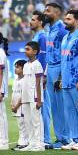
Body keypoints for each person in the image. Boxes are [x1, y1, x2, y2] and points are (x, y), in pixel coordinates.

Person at [60, 9, 78, 150]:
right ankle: (74, 139)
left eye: (69, 19)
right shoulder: (66, 38)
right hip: (66, 81)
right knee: (69, 111)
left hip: (76, 81)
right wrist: (61, 78)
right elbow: (64, 60)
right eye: (65, 19)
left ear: (77, 21)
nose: (66, 21)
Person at [43, 2, 68, 148]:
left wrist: (60, 76)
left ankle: (66, 137)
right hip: (51, 68)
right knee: (54, 106)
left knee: (61, 105)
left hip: (59, 68)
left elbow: (65, 54)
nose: (45, 13)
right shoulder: (49, 30)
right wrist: (46, 73)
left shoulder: (61, 29)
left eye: (48, 11)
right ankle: (59, 138)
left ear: (57, 13)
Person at [19, 41, 45, 151]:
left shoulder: (37, 65)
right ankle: (32, 142)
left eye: (28, 49)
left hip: (34, 96)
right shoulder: (25, 65)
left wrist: (39, 99)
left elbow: (39, 83)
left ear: (35, 51)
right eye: (25, 49)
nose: (26, 51)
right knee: (27, 120)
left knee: (36, 120)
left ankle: (39, 144)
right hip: (26, 96)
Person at [29, 10, 49, 146]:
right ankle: (39, 137)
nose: (30, 22)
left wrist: (43, 75)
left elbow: (44, 57)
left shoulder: (42, 36)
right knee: (37, 106)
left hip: (39, 76)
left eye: (33, 19)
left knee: (43, 106)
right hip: (35, 76)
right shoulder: (37, 36)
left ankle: (45, 138)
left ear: (40, 22)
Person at [10, 59, 28, 150]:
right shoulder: (16, 80)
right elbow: (13, 92)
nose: (15, 69)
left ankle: (24, 143)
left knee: (23, 124)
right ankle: (21, 142)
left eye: (18, 67)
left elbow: (23, 95)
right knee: (19, 124)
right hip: (15, 106)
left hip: (21, 106)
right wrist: (11, 103)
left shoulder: (25, 80)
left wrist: (16, 106)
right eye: (15, 67)